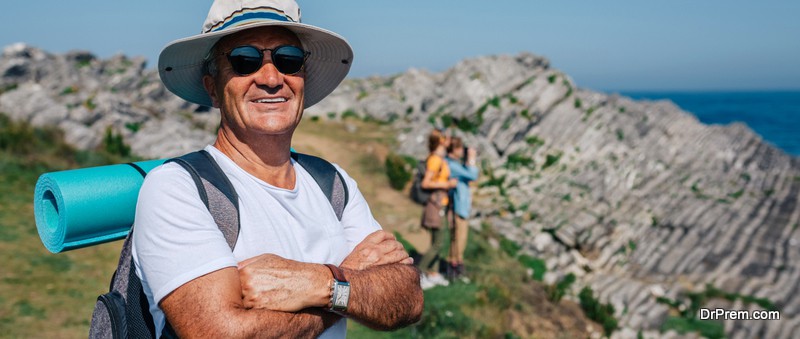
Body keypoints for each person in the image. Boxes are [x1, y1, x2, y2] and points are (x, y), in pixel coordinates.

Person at [131, 0, 423, 337]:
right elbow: (222, 334)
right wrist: (351, 279)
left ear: (302, 78)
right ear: (213, 87)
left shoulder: (333, 183)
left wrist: (318, 283)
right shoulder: (177, 189)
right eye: (244, 61)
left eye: (288, 60)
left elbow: (408, 297)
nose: (271, 78)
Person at [417, 129, 458, 289]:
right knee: (437, 243)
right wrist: (447, 184)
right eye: (446, 137)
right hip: (436, 206)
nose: (449, 139)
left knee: (438, 242)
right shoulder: (435, 159)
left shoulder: (440, 158)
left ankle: (431, 273)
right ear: (441, 141)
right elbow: (425, 183)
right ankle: (419, 274)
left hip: (440, 203)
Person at [444, 137, 479, 280]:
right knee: (459, 237)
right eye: (460, 148)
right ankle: (455, 266)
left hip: (460, 206)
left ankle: (455, 265)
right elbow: (473, 175)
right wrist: (471, 158)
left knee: (458, 238)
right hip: (458, 207)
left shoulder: (455, 164)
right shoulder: (452, 165)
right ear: (455, 149)